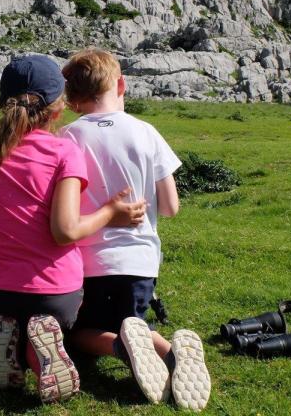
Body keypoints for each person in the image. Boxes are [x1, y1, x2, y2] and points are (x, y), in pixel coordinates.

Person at [0, 55, 147, 404]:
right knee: (56, 329)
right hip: (56, 296)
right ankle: (35, 351)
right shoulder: (64, 152)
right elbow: (65, 230)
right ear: (58, 108)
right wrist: (110, 212)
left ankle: (2, 337)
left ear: (2, 103)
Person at [60, 48, 211, 411]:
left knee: (79, 333)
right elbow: (171, 207)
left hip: (91, 264)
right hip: (142, 263)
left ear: (74, 100)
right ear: (121, 84)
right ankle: (172, 352)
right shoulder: (147, 131)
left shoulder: (68, 136)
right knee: (133, 321)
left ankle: (120, 347)